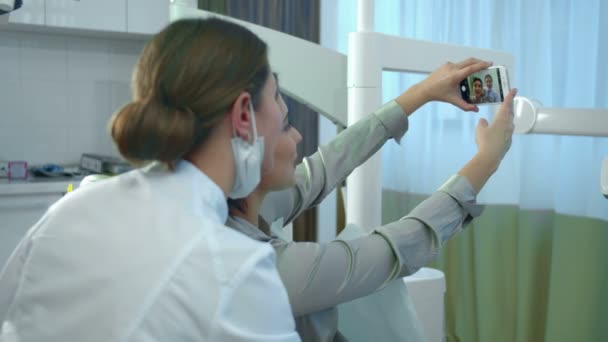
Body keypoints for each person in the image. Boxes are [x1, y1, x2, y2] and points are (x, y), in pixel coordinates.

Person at [0, 18, 301, 341]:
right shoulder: (235, 269)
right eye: (275, 97)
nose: (288, 128)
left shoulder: (66, 213)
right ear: (244, 113)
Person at [226, 59, 517, 341]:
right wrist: (488, 159)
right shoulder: (267, 270)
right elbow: (398, 248)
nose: (299, 136)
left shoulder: (244, 207)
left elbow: (326, 167)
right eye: (286, 126)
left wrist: (424, 91)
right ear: (248, 151)